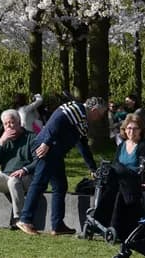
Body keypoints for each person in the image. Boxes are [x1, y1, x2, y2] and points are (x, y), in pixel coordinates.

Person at [17, 97, 106, 236]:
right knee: (40, 183)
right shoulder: (76, 109)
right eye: (101, 114)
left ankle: (57, 225)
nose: (101, 117)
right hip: (47, 148)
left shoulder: (83, 121)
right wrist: (47, 141)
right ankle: (25, 220)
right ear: (94, 110)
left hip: (55, 152)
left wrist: (92, 168)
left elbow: (82, 145)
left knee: (60, 186)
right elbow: (56, 120)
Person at [0, 109, 37, 229]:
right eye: (5, 124)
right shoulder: (4, 140)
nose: (9, 126)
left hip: (27, 176)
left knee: (13, 180)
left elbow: (39, 161)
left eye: (11, 122)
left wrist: (24, 169)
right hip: (6, 175)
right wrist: (1, 141)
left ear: (19, 122)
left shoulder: (31, 138)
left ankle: (19, 219)